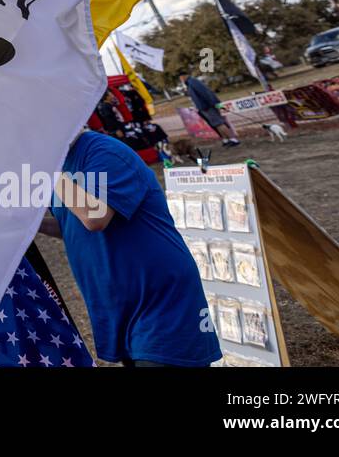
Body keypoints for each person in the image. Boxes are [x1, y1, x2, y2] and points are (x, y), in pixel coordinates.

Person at [40, 130, 221, 367]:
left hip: (159, 299)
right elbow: (72, 226)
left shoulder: (104, 151)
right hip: (119, 305)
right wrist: (28, 225)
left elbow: (95, 217)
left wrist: (46, 167)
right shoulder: (61, 163)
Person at [180, 72, 240, 146]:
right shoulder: (189, 84)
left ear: (183, 76)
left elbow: (205, 93)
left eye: (180, 77)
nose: (180, 80)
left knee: (219, 123)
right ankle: (226, 139)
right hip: (203, 108)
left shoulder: (193, 82)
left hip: (207, 106)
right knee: (215, 124)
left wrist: (214, 104)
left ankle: (233, 139)